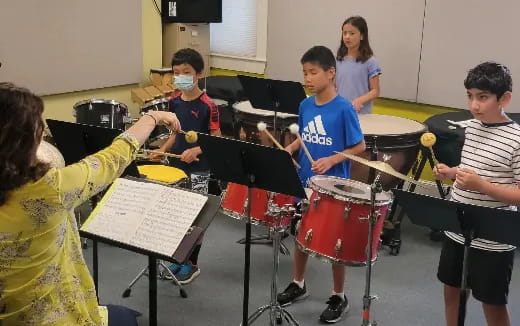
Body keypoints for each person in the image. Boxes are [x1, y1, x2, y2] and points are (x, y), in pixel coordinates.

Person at [0, 82, 180, 325]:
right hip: (49, 317)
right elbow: (114, 157)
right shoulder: (50, 189)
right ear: (26, 141)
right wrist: (152, 117)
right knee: (126, 319)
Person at [277, 46, 366, 323]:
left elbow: (360, 145)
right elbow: (303, 136)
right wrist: (290, 148)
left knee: (335, 244)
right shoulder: (305, 105)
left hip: (334, 186)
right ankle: (298, 283)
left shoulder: (344, 109)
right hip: (306, 181)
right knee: (302, 234)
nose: (308, 78)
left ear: (330, 73)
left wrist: (331, 160)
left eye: (313, 72)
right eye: (304, 73)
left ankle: (339, 295)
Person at [434, 61, 520, 326]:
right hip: (458, 225)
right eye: (470, 96)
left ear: (504, 98)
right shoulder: (471, 127)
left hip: (494, 237)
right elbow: (474, 167)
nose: (474, 105)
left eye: (483, 97)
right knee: (452, 291)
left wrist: (482, 186)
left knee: (492, 302)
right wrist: (452, 171)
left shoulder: (516, 139)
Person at [151, 48, 221, 284]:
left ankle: (192, 264)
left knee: (195, 219)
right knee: (179, 216)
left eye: (186, 72)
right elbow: (174, 135)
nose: (180, 76)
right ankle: (180, 259)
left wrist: (198, 149)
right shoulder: (173, 102)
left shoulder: (208, 105)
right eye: (176, 72)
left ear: (198, 74)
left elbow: (217, 140)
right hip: (176, 167)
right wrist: (163, 150)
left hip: (199, 169)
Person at [335, 16, 381, 114]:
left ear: (362, 36)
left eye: (352, 33)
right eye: (344, 33)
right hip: (340, 112)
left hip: (361, 114)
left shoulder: (370, 61)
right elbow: (334, 86)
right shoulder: (339, 60)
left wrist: (359, 101)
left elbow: (375, 91)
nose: (347, 37)